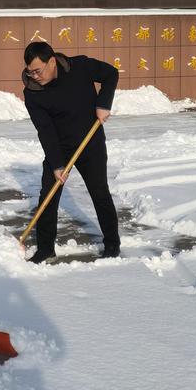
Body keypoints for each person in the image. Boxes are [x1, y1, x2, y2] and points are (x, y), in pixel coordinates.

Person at [22, 42, 120, 264]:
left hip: (90, 142)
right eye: (31, 71)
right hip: (60, 147)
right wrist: (57, 165)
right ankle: (45, 248)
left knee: (99, 192)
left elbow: (110, 74)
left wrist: (104, 103)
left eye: (38, 70)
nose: (35, 76)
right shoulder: (33, 92)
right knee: (48, 194)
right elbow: (45, 130)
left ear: (52, 62)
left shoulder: (81, 67)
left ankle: (112, 244)